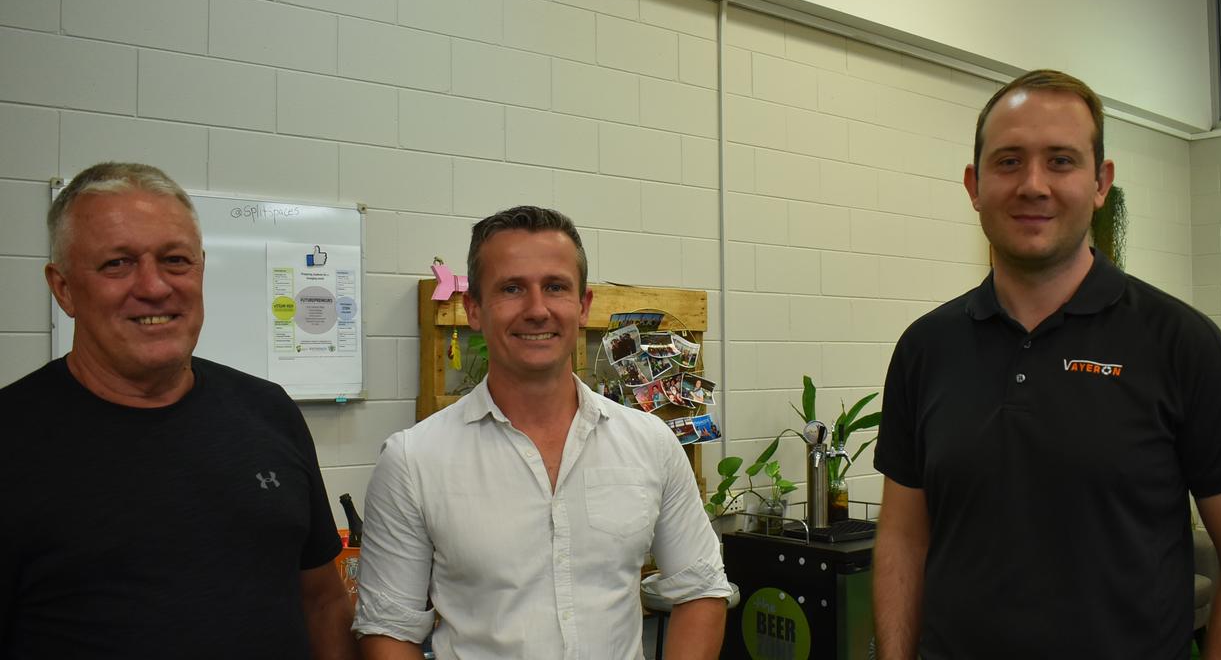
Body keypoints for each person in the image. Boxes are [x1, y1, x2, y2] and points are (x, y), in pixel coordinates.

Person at [872, 70, 1221, 659]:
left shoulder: (1181, 344)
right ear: (974, 185)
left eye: (1060, 161)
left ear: (1100, 183)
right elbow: (905, 539)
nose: (1033, 185)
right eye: (1009, 161)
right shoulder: (926, 348)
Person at [0, 163, 357, 659]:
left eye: (175, 260)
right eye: (117, 264)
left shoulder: (269, 412)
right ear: (63, 288)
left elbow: (323, 603)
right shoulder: (12, 439)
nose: (153, 286)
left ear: (201, 270)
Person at [354, 206, 731, 659]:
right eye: (511, 289)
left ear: (582, 305)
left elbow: (702, 589)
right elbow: (388, 630)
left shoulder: (649, 443)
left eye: (555, 287)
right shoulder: (413, 460)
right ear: (473, 308)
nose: (537, 310)